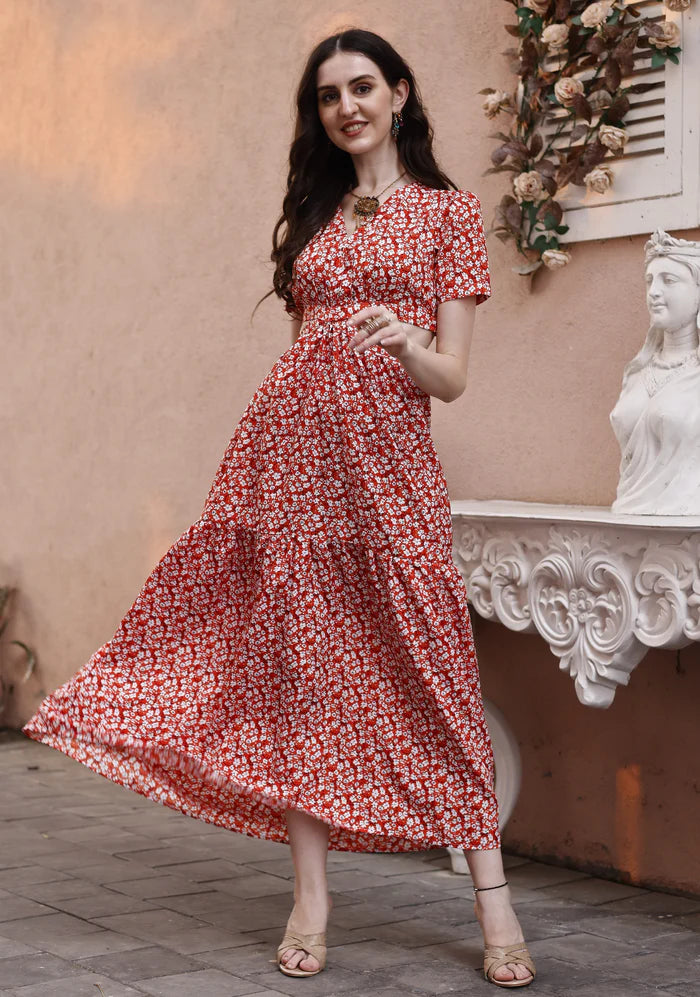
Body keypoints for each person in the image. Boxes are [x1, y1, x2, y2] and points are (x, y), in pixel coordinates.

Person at [22, 27, 535, 989]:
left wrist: (402, 342)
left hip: (390, 472)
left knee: (434, 668)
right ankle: (310, 897)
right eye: (329, 94)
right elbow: (304, 351)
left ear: (400, 93)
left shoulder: (448, 215)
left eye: (363, 87)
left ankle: (493, 899)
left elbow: (455, 379)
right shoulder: (318, 215)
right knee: (302, 676)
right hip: (290, 463)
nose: (346, 105)